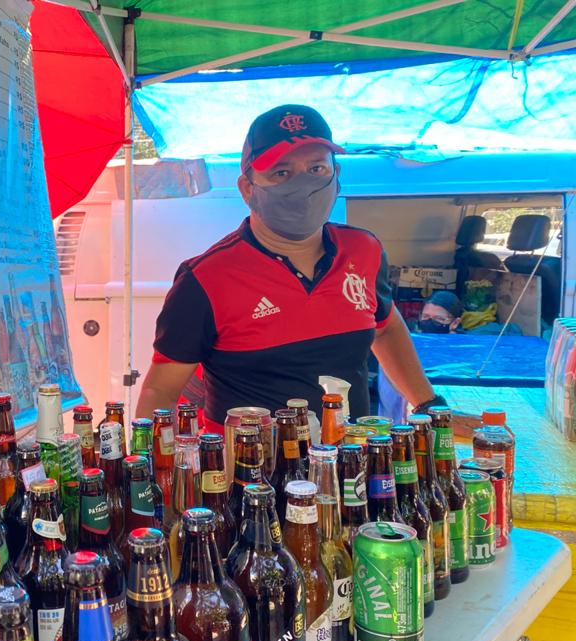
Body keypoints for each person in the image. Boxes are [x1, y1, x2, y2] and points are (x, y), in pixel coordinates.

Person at [136, 104, 446, 428]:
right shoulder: (204, 280)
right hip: (247, 474)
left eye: (316, 169)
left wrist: (427, 404)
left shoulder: (364, 251)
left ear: (336, 175)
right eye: (281, 173)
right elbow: (161, 389)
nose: (303, 186)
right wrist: (154, 466)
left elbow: (386, 327)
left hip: (349, 468)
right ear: (247, 189)